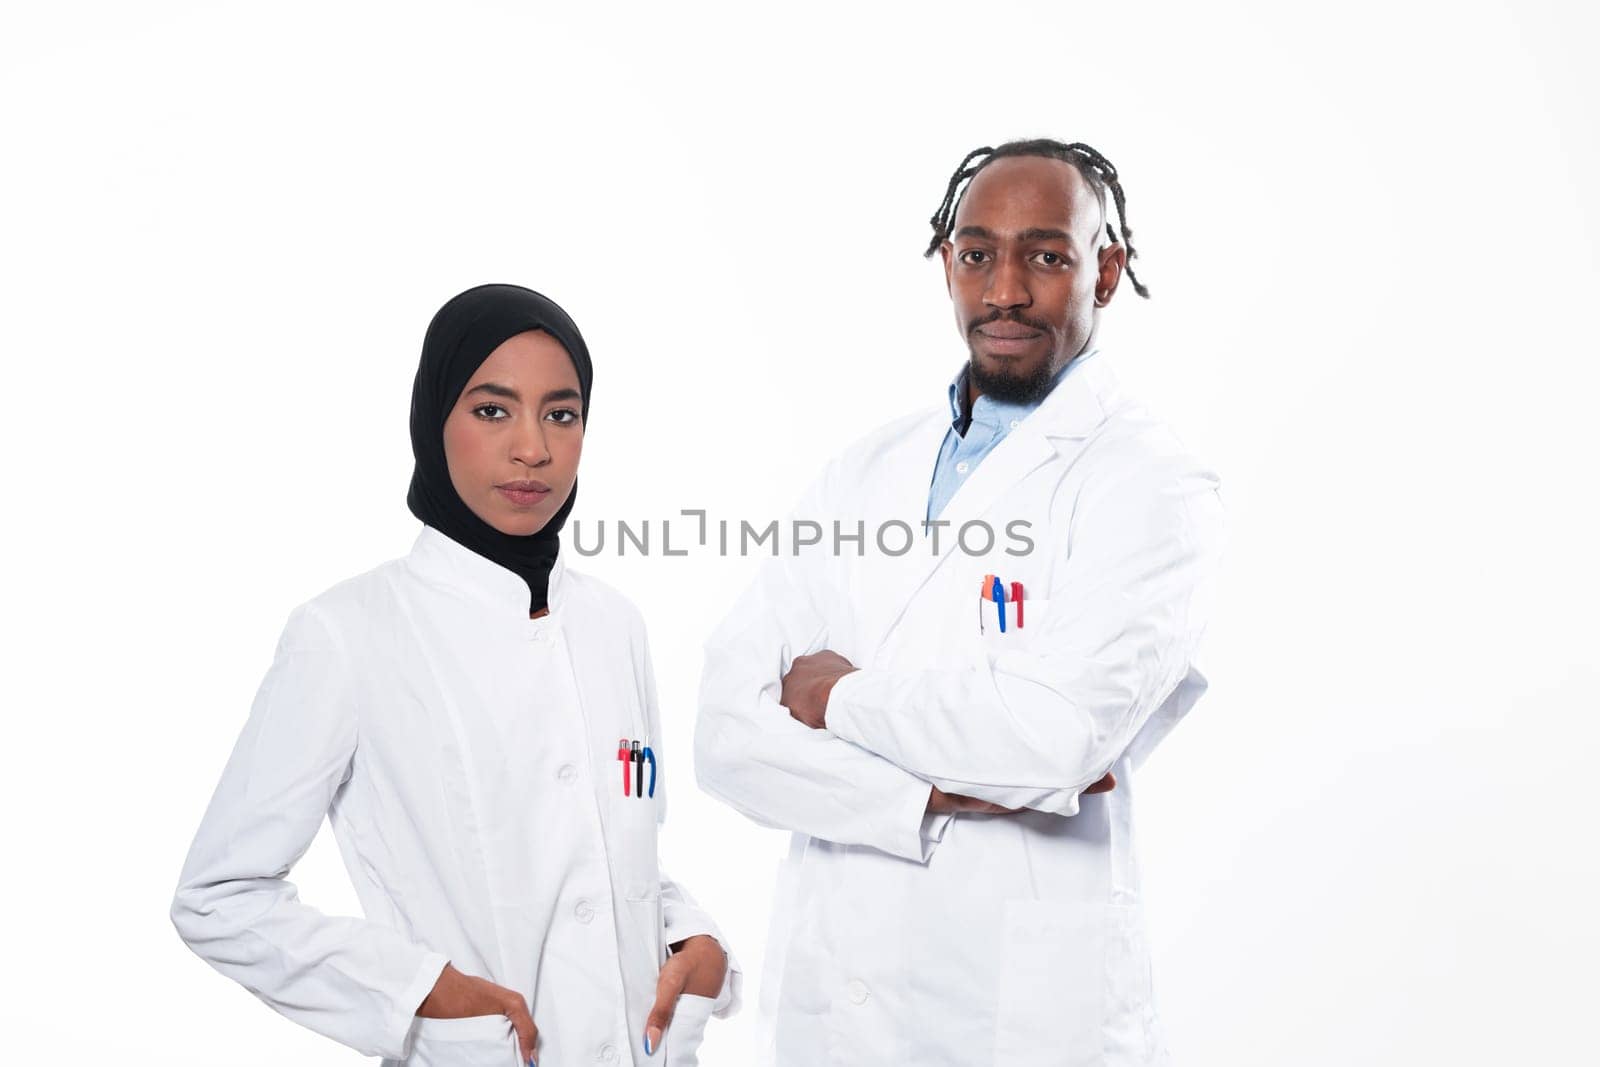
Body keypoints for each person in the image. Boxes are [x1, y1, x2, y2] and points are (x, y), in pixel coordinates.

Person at [695, 141, 1224, 1065]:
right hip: (833, 1010)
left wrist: (838, 701)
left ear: (1105, 267)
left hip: (1020, 1019)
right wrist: (938, 791)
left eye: (1047, 256)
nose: (1006, 290)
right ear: (948, 262)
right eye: (978, 253)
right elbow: (725, 737)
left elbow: (1054, 733)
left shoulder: (1150, 484)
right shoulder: (860, 474)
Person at [173, 284, 738, 1067]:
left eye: (562, 413)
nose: (533, 448)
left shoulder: (616, 624)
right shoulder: (348, 634)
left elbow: (607, 852)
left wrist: (694, 937)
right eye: (493, 409)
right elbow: (217, 896)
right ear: (433, 417)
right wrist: (417, 990)